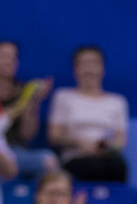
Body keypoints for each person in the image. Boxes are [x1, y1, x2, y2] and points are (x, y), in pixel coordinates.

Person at [47, 45, 128, 182]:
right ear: (75, 69)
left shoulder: (117, 101)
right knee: (90, 168)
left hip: (106, 157)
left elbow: (120, 141)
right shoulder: (63, 97)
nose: (89, 69)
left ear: (102, 68)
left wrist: (104, 147)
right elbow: (54, 135)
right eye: (84, 64)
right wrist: (78, 142)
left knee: (118, 166)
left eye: (94, 63)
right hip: (75, 157)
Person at [0, 41, 55, 179]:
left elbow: (27, 134)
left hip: (14, 152)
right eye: (4, 56)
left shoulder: (24, 91)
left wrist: (32, 103)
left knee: (48, 160)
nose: (10, 61)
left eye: (14, 57)